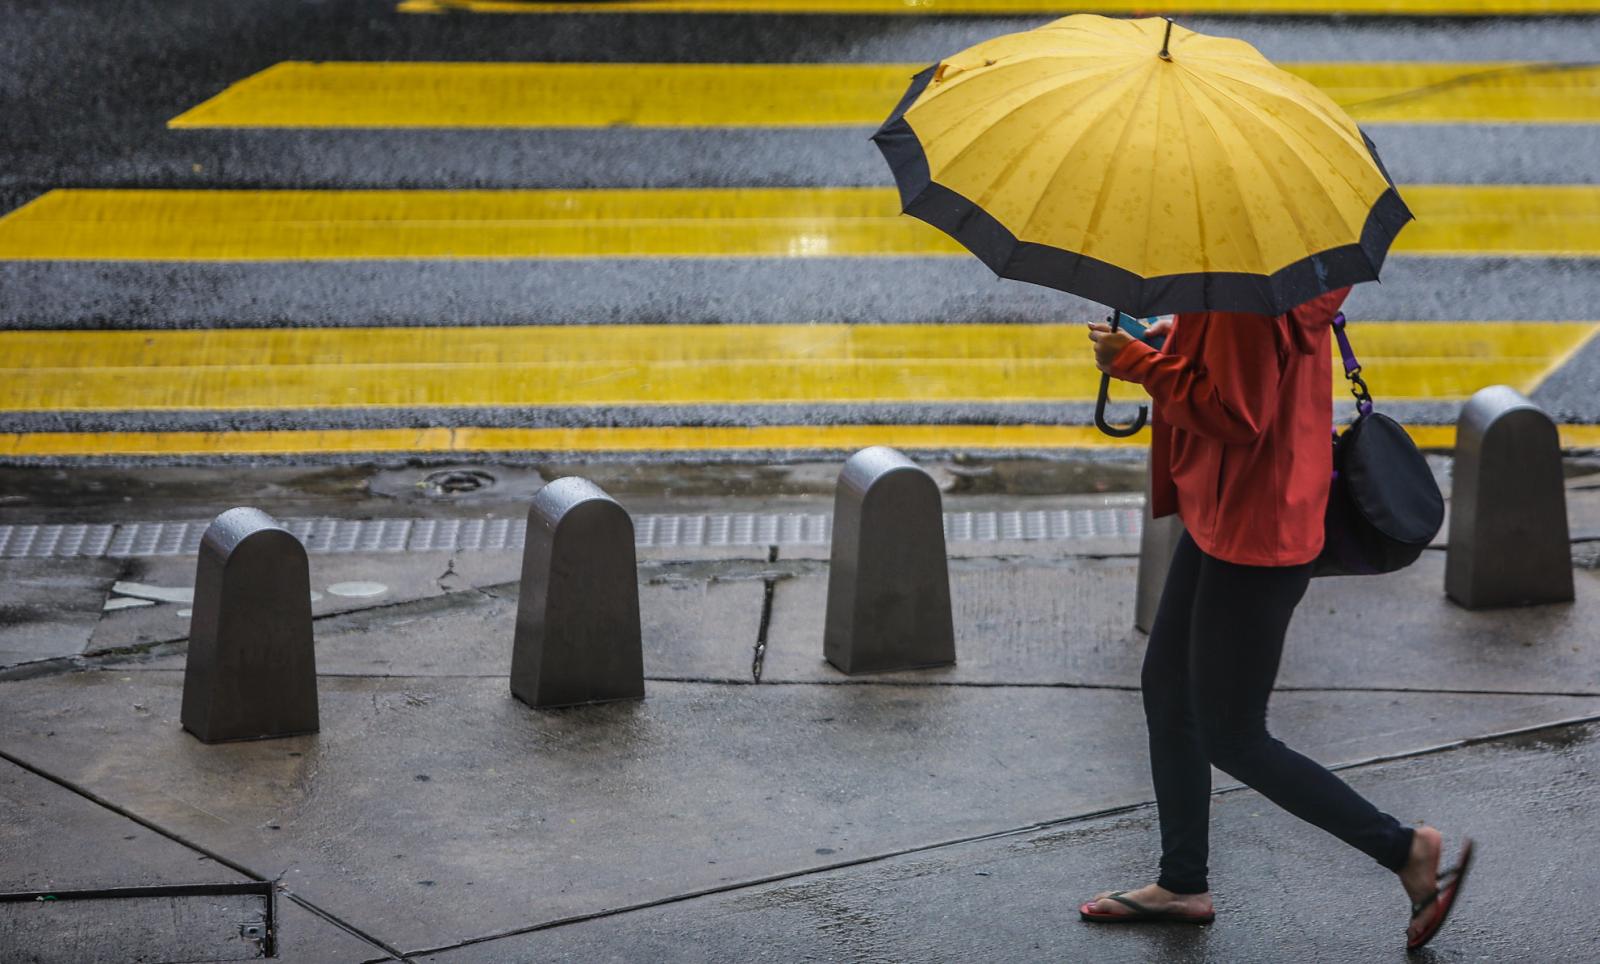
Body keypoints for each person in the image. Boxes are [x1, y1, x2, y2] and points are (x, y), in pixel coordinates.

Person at [1078, 289, 1471, 952]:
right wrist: (1179, 333)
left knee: (1233, 735)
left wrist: (1139, 361)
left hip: (1250, 528)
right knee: (1168, 689)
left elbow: (1236, 412)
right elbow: (1252, 367)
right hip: (1236, 504)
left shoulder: (1239, 297)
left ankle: (1405, 849)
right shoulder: (1266, 280)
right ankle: (1182, 883)